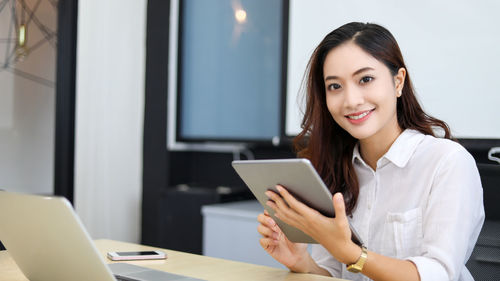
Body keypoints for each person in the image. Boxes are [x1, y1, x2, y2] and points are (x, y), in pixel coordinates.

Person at [257, 22, 484, 281]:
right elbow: (335, 273)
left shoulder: (447, 162)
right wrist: (302, 262)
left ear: (398, 82)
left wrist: (352, 254)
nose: (351, 100)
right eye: (335, 86)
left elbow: (439, 274)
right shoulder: (334, 168)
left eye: (365, 79)